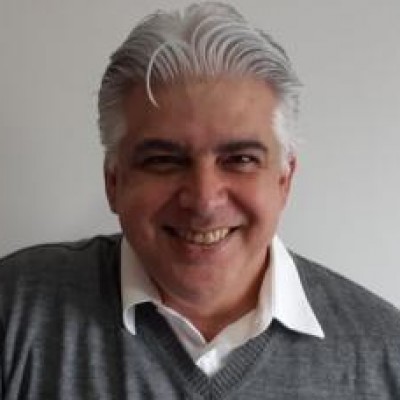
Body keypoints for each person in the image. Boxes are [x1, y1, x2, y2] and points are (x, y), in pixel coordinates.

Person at [1, 2, 400, 399]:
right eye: (163, 160)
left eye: (240, 160)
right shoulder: (14, 312)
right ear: (113, 182)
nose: (204, 201)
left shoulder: (387, 355)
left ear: (284, 180)